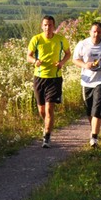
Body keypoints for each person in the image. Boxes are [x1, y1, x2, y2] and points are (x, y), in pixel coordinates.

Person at [72, 21, 101, 148]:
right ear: (90, 32)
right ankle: (94, 129)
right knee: (89, 110)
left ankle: (94, 138)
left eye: (99, 32)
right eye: (94, 31)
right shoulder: (83, 44)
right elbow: (75, 59)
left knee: (97, 108)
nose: (96, 34)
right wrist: (85, 65)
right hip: (87, 81)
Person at [27, 15, 71, 148]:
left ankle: (47, 136)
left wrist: (62, 62)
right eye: (45, 25)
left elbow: (68, 53)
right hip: (39, 78)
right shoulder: (36, 39)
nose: (48, 27)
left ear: (54, 26)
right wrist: (35, 61)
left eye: (50, 25)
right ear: (42, 26)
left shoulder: (61, 39)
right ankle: (48, 124)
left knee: (49, 108)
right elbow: (28, 56)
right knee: (42, 110)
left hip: (55, 78)